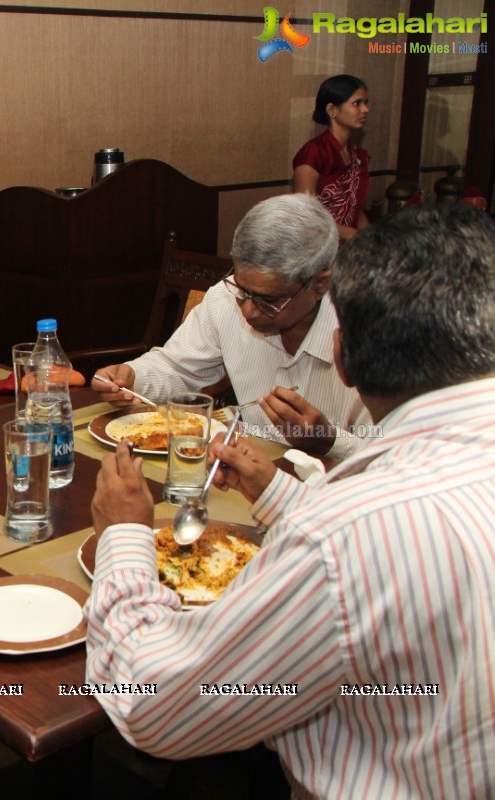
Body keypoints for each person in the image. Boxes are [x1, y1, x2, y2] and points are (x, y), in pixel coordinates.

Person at [86, 202, 495, 798]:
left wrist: (124, 537)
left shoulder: (342, 529)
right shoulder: (367, 516)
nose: (249, 311)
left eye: (269, 300)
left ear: (342, 356)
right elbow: (398, 545)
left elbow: (156, 706)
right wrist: (278, 491)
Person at [90, 193, 371, 458]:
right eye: (242, 289)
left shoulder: (369, 332)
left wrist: (328, 440)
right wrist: (132, 376)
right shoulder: (227, 299)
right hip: (243, 472)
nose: (247, 310)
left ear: (320, 284)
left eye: (268, 300)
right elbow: (177, 367)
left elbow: (399, 454)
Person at [293, 74, 371, 240]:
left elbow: (355, 207)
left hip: (350, 248)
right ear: (332, 110)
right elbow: (305, 214)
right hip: (318, 248)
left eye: (365, 103)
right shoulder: (314, 152)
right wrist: (351, 234)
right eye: (357, 103)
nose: (365, 109)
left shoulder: (357, 154)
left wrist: (370, 237)